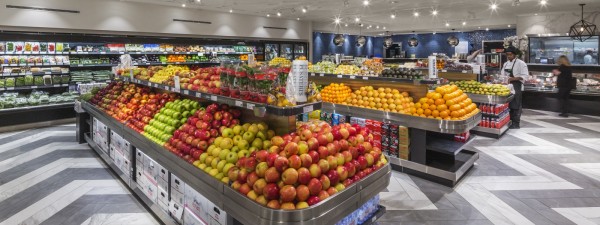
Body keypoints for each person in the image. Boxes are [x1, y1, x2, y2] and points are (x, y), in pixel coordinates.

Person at [501, 46, 529, 129]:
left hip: (517, 85)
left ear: (515, 55)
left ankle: (516, 123)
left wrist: (512, 78)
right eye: (507, 55)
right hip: (507, 86)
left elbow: (525, 76)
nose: (508, 56)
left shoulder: (521, 63)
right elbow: (503, 75)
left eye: (510, 55)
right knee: (508, 104)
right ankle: (509, 121)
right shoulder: (505, 64)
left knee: (516, 104)